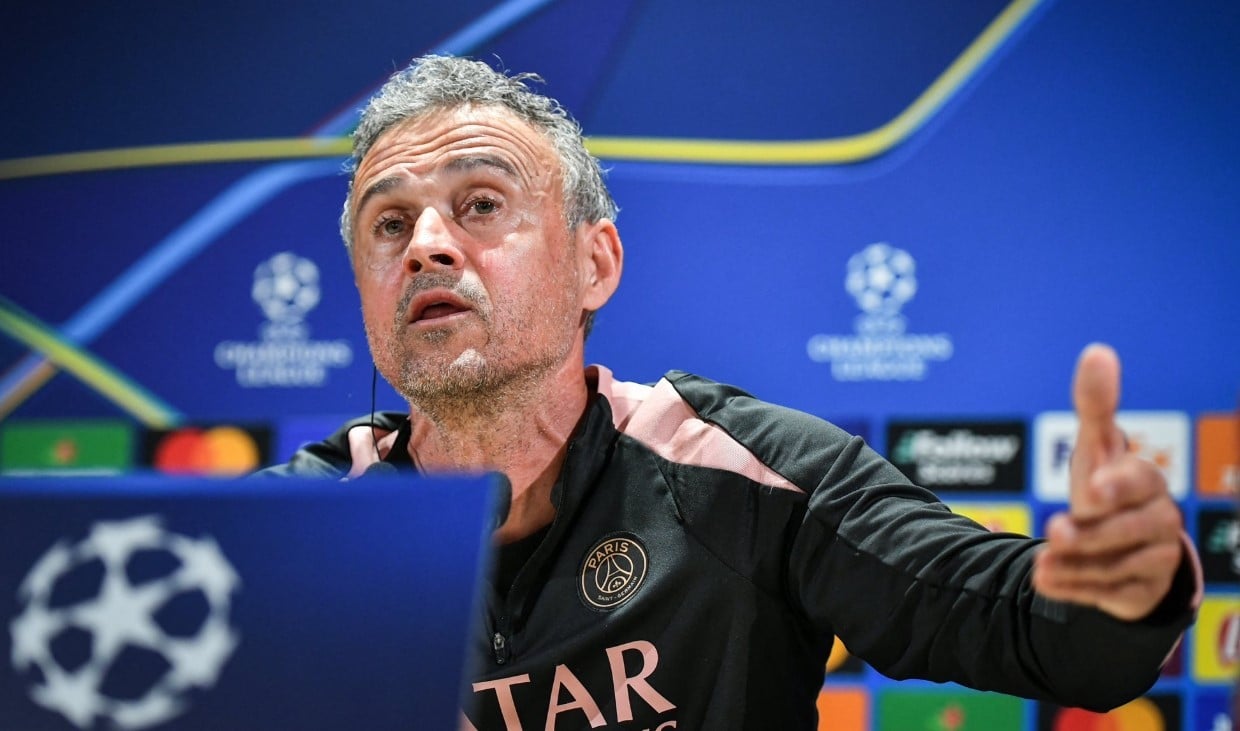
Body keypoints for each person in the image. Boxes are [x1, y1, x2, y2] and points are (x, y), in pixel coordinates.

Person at [262, 55, 1200, 730]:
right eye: (390, 223)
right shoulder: (282, 534)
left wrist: (1128, 588)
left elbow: (1038, 632)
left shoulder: (740, 473)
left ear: (595, 264)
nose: (427, 244)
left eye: (480, 204)